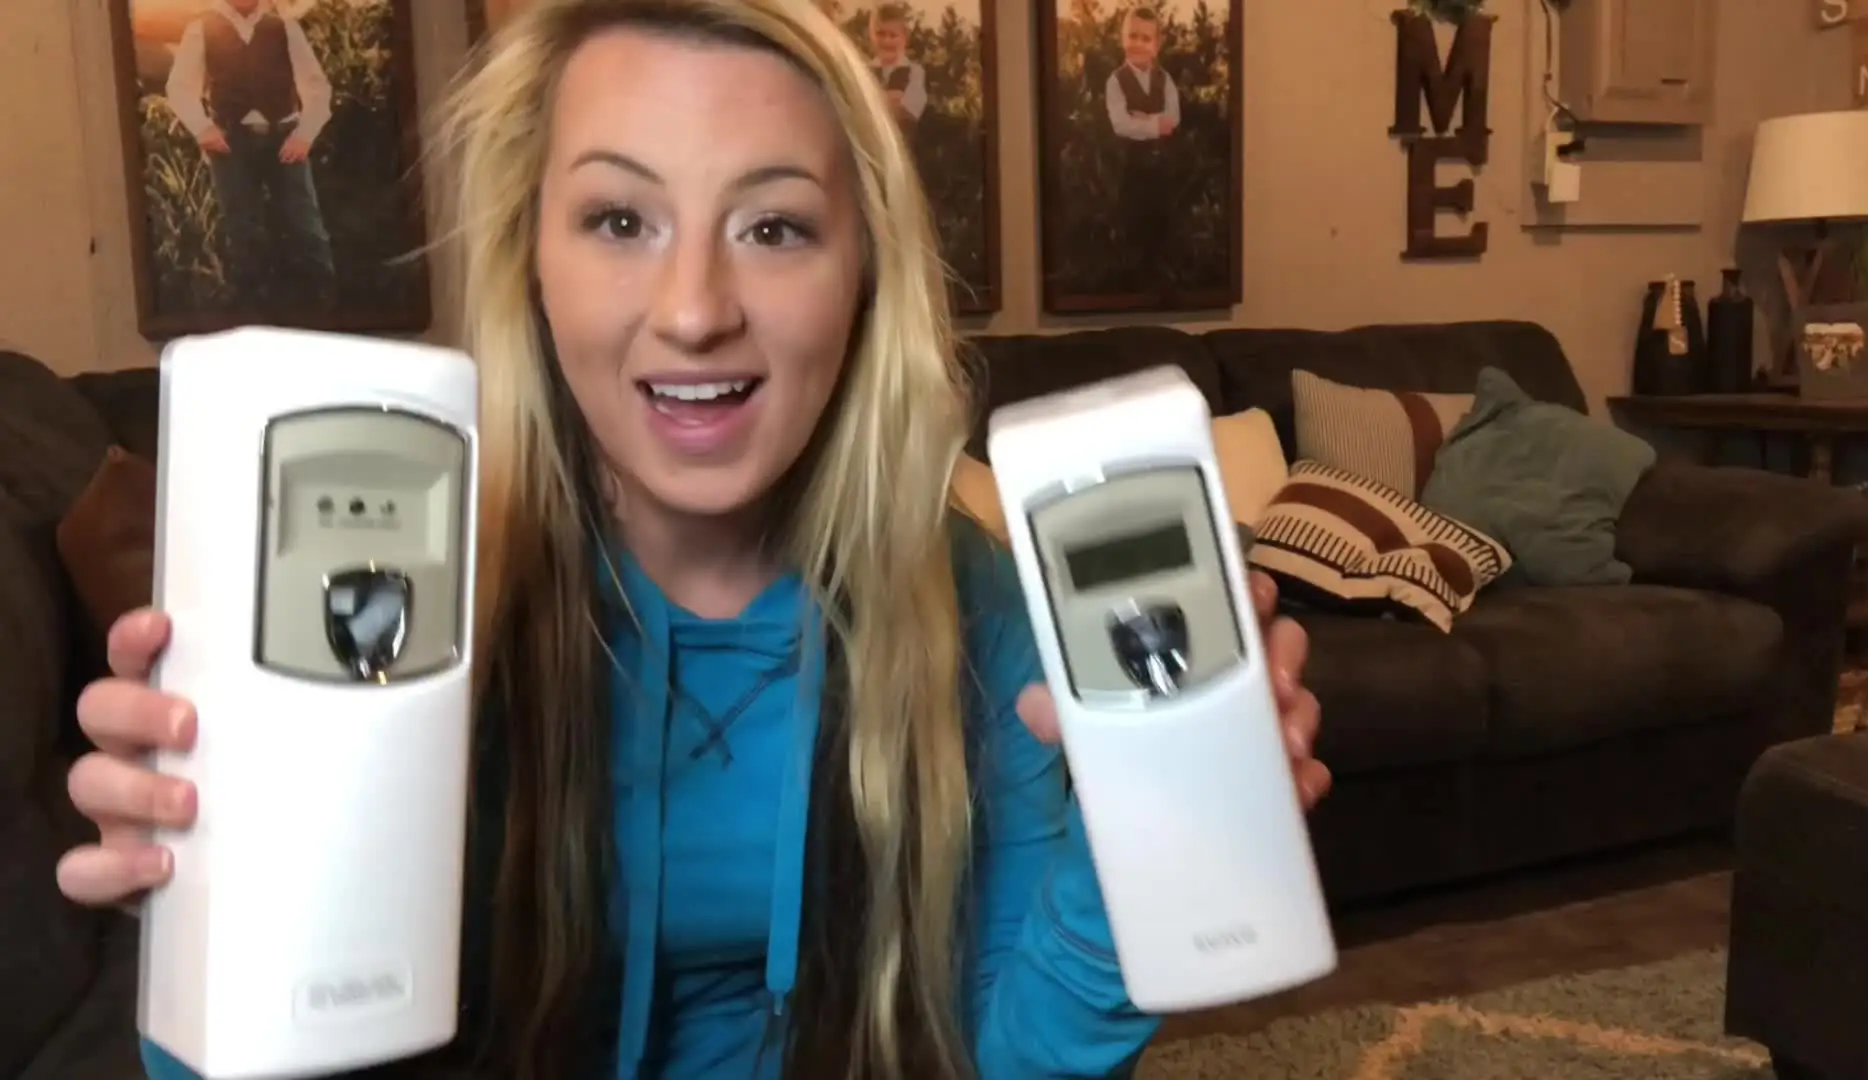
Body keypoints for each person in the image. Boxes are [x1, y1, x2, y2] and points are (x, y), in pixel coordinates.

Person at [58, 2, 1330, 1078]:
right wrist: (216, 936)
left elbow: (1004, 1054)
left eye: (774, 227)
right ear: (532, 258)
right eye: (621, 221)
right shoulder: (424, 606)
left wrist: (1140, 866)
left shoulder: (971, 599)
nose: (693, 311)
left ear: (864, 275)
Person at [164, 0, 338, 312]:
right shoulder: (203, 27)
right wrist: (203, 128)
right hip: (232, 142)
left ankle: (322, 301)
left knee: (303, 221)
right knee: (241, 225)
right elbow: (179, 87)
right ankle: (253, 305)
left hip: (285, 136)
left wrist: (304, 134)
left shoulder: (283, 26)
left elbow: (316, 87)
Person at [1101, 6, 1181, 296]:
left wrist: (1143, 121)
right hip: (1130, 167)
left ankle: (1159, 271)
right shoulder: (1116, 81)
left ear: (1156, 46)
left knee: (1160, 219)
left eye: (1146, 38)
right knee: (1132, 220)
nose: (1138, 43)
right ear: (1122, 38)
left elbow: (1173, 120)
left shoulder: (1165, 80)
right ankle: (1130, 277)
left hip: (1161, 167)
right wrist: (1154, 124)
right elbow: (1121, 124)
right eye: (1133, 36)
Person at [866, 3, 926, 139]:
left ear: (904, 39)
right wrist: (889, 100)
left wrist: (874, 102)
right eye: (880, 34)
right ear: (871, 35)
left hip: (900, 142)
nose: (886, 41)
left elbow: (909, 112)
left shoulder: (914, 72)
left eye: (893, 35)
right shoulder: (864, 71)